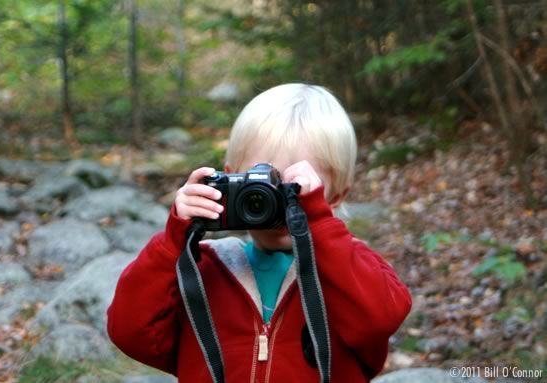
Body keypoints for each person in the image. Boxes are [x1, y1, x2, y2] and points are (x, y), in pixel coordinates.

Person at [107, 83, 412, 382]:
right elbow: (130, 332)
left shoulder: (352, 273)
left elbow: (380, 321)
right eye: (262, 185)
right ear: (231, 179)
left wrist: (318, 223)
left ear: (334, 197)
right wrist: (176, 240)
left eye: (296, 189)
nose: (280, 203)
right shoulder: (203, 269)